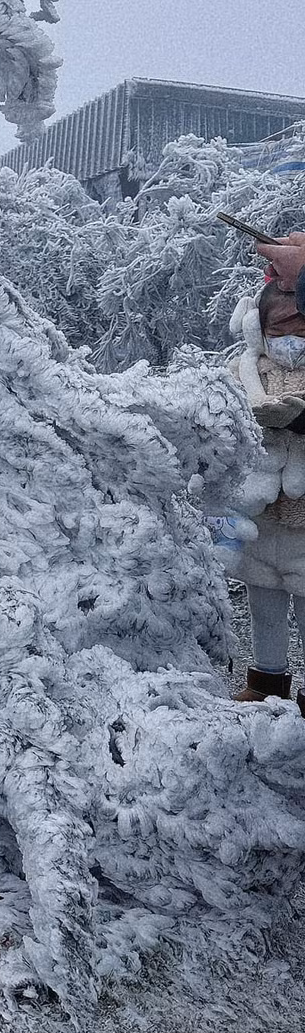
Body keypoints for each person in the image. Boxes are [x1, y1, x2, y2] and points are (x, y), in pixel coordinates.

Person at [224, 232, 305, 713]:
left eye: (299, 326)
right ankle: (267, 680)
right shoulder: (247, 369)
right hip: (262, 518)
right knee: (265, 606)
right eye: (280, 329)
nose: (290, 339)